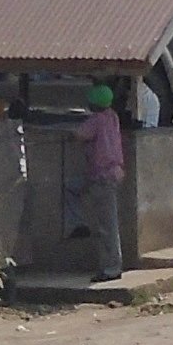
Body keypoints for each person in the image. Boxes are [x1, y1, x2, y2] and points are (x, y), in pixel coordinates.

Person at [74, 82, 127, 283]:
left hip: (102, 175)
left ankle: (111, 267)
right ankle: (112, 264)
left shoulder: (96, 120)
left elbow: (79, 135)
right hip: (114, 173)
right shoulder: (112, 117)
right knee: (108, 222)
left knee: (107, 225)